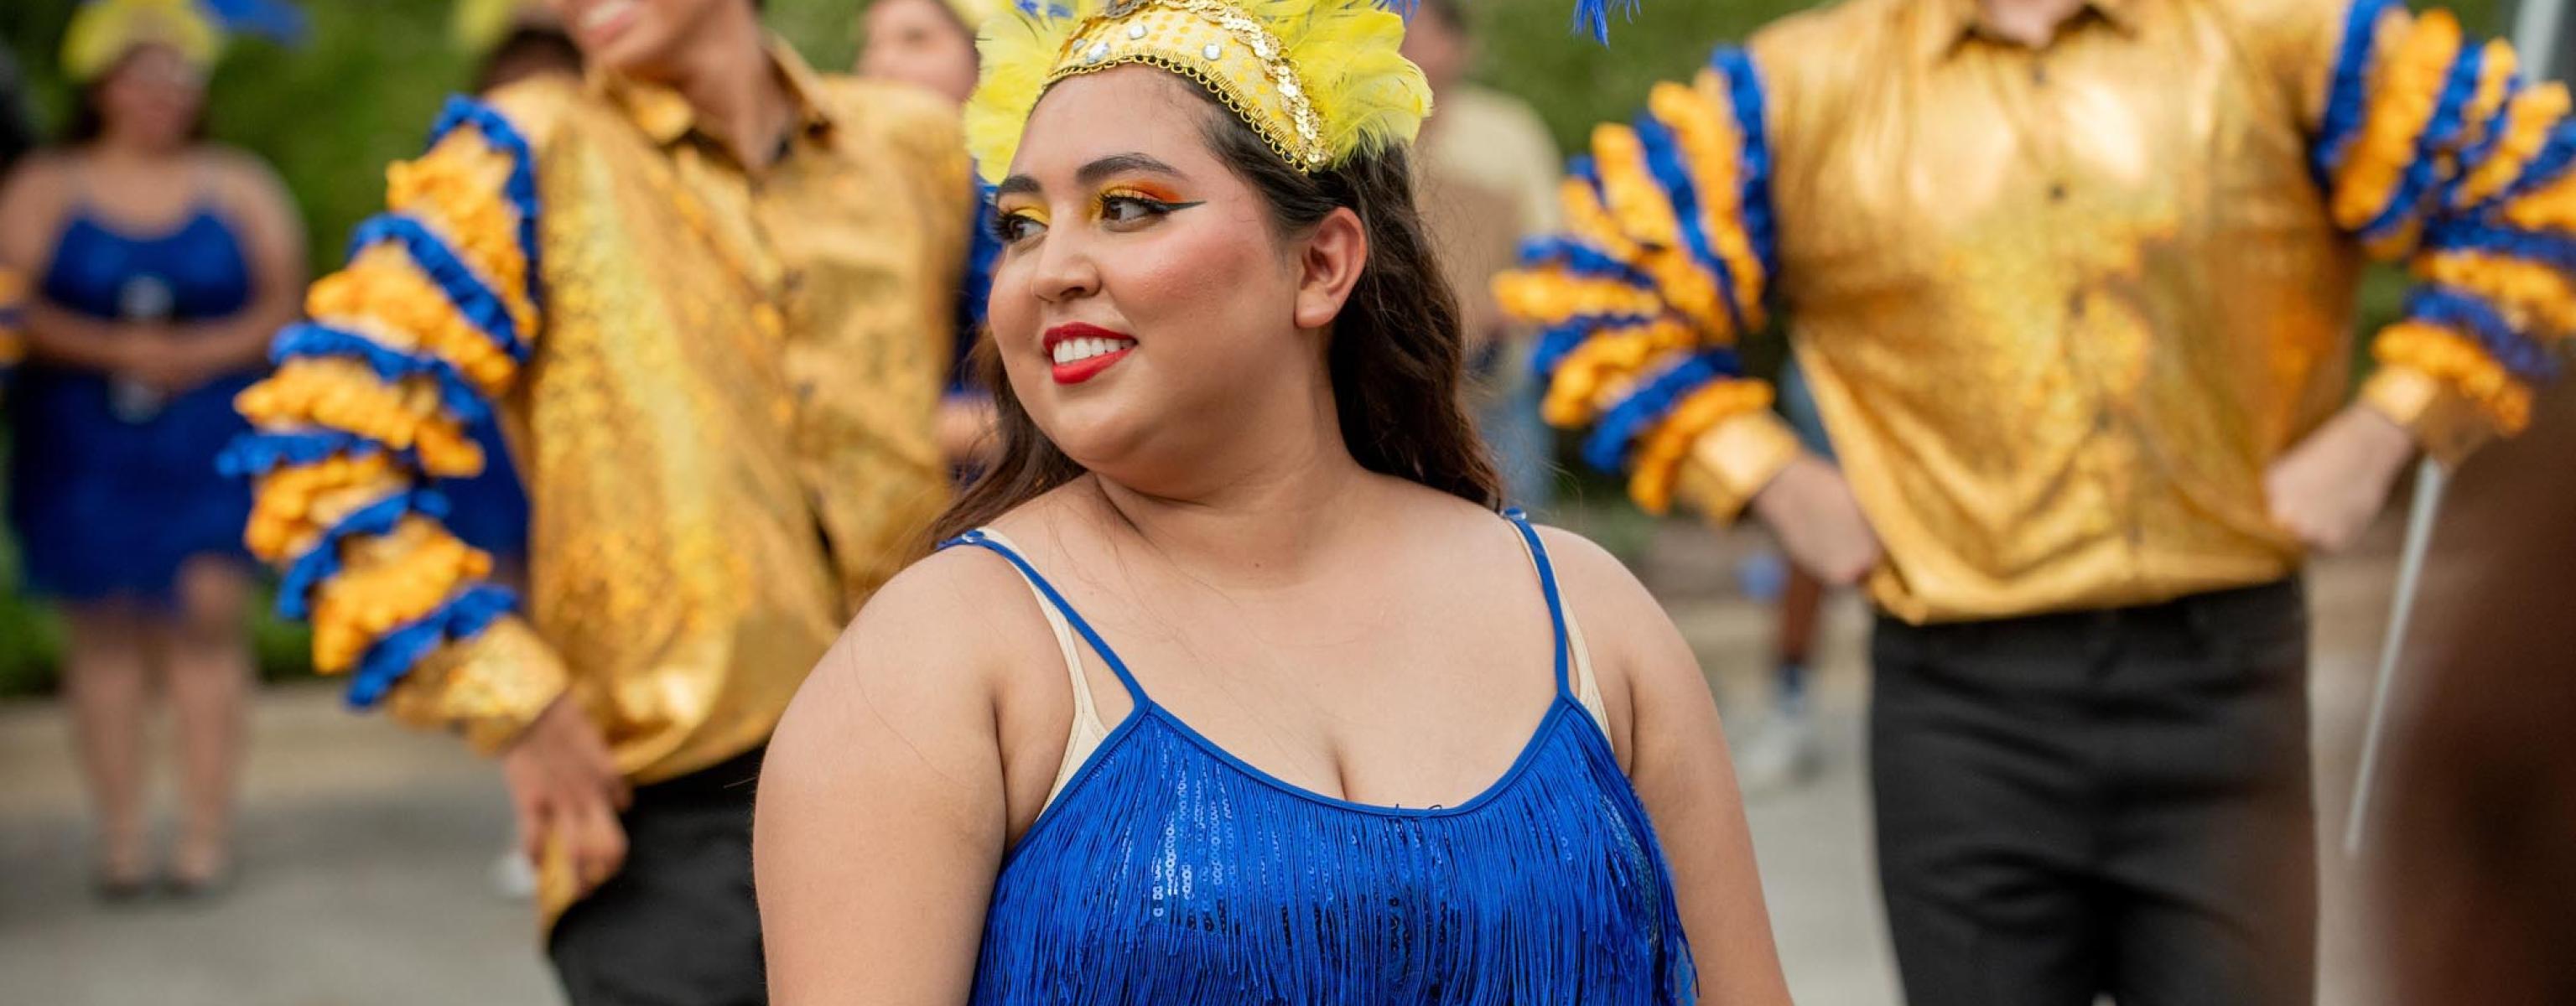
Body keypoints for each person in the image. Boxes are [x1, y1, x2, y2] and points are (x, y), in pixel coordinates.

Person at [1499, 0, 2576, 1002]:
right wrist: (1770, 475)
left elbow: (2532, 190)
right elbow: (1599, 284)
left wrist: (2387, 429)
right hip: (1963, 706)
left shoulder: (2278, 37)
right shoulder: (1805, 85)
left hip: (2225, 679)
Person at [754, 1, 1794, 1002]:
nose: (1051, 269)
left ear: (1322, 263)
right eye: (1020, 225)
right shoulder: (941, 660)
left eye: (1129, 207)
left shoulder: (1590, 620)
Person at [225, 0, 984, 997]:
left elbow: (1086, 399)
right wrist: (515, 700)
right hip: (677, 818)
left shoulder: (914, 147)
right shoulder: (530, 148)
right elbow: (317, 447)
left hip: (947, 776)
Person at [0, 0, 305, 900]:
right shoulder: (47, 184)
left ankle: (204, 833)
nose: (161, 95)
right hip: (84, 440)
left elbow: (282, 301)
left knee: (206, 625)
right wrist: (115, 352)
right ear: (101, 87)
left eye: (178, 77)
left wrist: (189, 356)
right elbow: (14, 301)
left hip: (208, 437)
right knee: (104, 638)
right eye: (143, 75)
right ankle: (122, 835)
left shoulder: (239, 183)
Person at [1400, 0, 1564, 515]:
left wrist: (1485, 314)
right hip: (1388, 391)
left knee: (1518, 537)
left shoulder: (1507, 135)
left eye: (1415, 28)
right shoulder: (1357, 138)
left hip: (1495, 393)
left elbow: (1556, 260)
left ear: (1457, 45)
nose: (1401, 42)